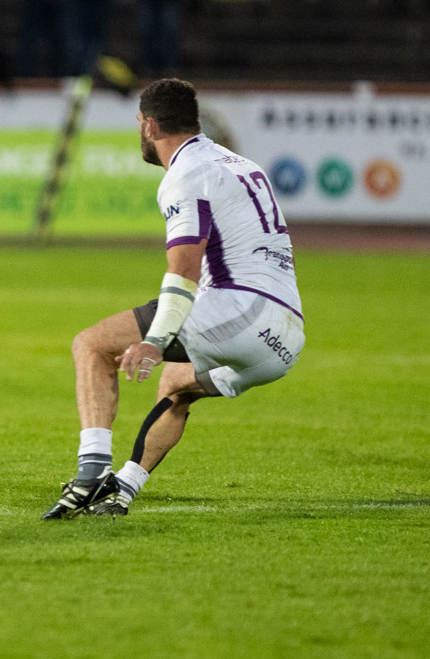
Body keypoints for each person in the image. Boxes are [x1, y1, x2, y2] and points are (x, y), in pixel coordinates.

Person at [41, 79, 305, 519]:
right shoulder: (241, 163)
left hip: (239, 313)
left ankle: (91, 472)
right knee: (175, 387)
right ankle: (122, 488)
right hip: (285, 339)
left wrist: (156, 339)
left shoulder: (185, 175)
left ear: (148, 125)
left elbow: (183, 271)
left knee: (92, 344)